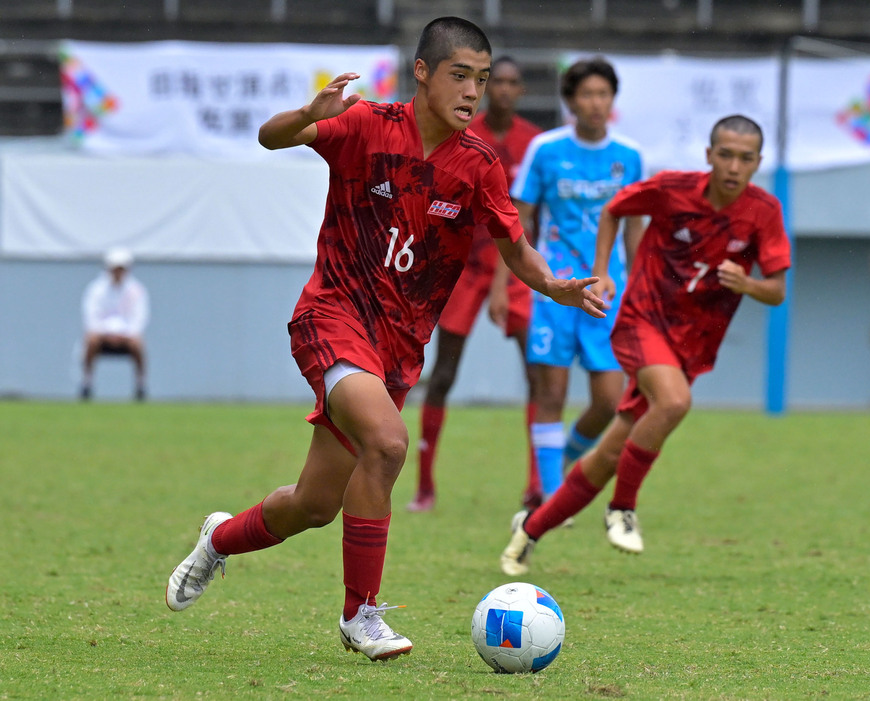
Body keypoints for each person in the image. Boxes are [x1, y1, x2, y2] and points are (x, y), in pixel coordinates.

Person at [165, 17, 607, 663]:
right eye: (461, 75)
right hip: (332, 315)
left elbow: (517, 248)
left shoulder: (479, 164)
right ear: (423, 72)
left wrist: (555, 285)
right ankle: (359, 614)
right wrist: (304, 115)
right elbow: (268, 138)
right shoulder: (366, 124)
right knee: (388, 440)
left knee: (314, 505)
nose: (472, 92)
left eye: (482, 80)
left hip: (396, 351)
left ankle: (219, 539)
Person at [500, 114, 792, 576]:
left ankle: (529, 530)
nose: (735, 166)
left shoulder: (763, 211)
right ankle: (623, 508)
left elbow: (776, 290)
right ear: (709, 156)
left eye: (746, 158)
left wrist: (747, 283)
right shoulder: (673, 188)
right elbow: (616, 208)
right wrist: (605, 272)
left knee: (611, 452)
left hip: (690, 345)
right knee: (674, 402)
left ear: (758, 162)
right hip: (643, 319)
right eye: (726, 155)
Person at [407, 56, 543, 513]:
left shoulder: (533, 142)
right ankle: (425, 488)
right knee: (443, 375)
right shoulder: (463, 132)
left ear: (520, 90)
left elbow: (528, 215)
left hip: (515, 267)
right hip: (465, 266)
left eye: (510, 82)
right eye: (495, 81)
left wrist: (512, 279)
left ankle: (536, 487)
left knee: (538, 375)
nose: (502, 89)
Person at [510, 57, 644, 505]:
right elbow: (517, 223)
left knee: (609, 401)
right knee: (551, 393)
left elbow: (634, 228)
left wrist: (640, 287)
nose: (596, 103)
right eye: (586, 94)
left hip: (608, 294)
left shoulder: (629, 156)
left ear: (613, 100)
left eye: (603, 94)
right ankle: (550, 497)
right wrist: (506, 285)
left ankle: (562, 461)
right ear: (570, 101)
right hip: (555, 292)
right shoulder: (546, 150)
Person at [79, 247, 149, 401]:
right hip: (102, 335)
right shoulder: (96, 289)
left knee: (138, 343)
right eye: (115, 269)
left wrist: (125, 334)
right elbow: (91, 316)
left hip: (127, 336)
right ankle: (86, 384)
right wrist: (105, 333)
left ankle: (141, 386)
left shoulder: (136, 290)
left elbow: (139, 318)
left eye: (121, 269)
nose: (118, 273)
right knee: (90, 340)